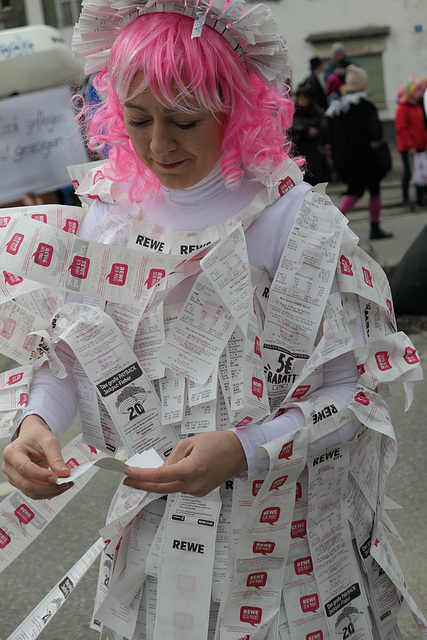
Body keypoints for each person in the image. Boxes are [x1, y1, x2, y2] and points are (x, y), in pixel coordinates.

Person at [1, 2, 424, 639]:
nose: (158, 144)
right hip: (158, 546)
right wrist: (37, 423)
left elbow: (351, 394)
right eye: (138, 119)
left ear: (235, 107)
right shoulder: (108, 217)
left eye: (184, 120)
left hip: (288, 553)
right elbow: (75, 353)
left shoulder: (292, 221)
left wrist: (245, 449)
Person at [326, 65, 393, 239]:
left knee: (355, 190)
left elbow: (332, 136)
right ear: (363, 84)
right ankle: (375, 228)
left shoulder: (338, 108)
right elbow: (376, 133)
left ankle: (334, 224)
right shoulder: (366, 106)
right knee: (374, 190)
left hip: (347, 159)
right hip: (367, 159)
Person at [395, 78, 427, 209]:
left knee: (420, 172)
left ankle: (420, 198)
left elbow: (421, 127)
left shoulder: (416, 107)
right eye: (415, 91)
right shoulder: (402, 108)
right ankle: (406, 199)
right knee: (408, 173)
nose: (418, 93)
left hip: (420, 145)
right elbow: (401, 129)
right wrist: (410, 145)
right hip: (408, 147)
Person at [291, 81, 330, 185]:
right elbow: (290, 127)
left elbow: (324, 127)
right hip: (299, 150)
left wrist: (316, 131)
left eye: (305, 96)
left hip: (314, 151)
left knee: (314, 180)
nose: (302, 99)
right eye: (300, 96)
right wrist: (305, 129)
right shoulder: (294, 112)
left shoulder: (317, 111)